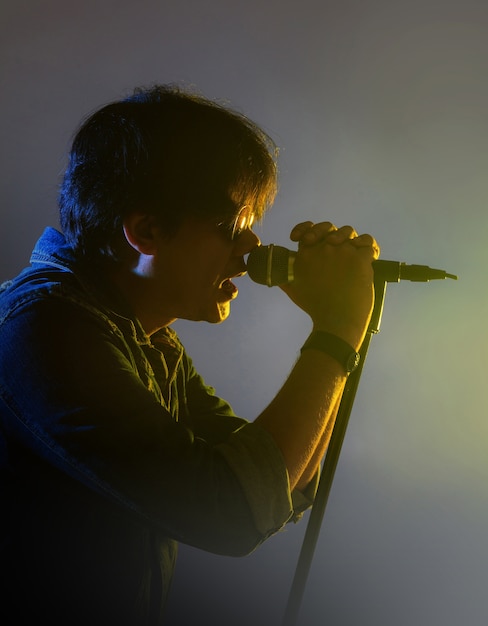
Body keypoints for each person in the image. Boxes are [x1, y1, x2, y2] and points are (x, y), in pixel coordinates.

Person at [0, 84, 379, 625]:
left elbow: (278, 479)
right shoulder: (46, 329)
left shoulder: (146, 338)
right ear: (146, 230)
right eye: (231, 229)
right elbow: (231, 510)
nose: (250, 252)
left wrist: (343, 329)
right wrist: (337, 332)